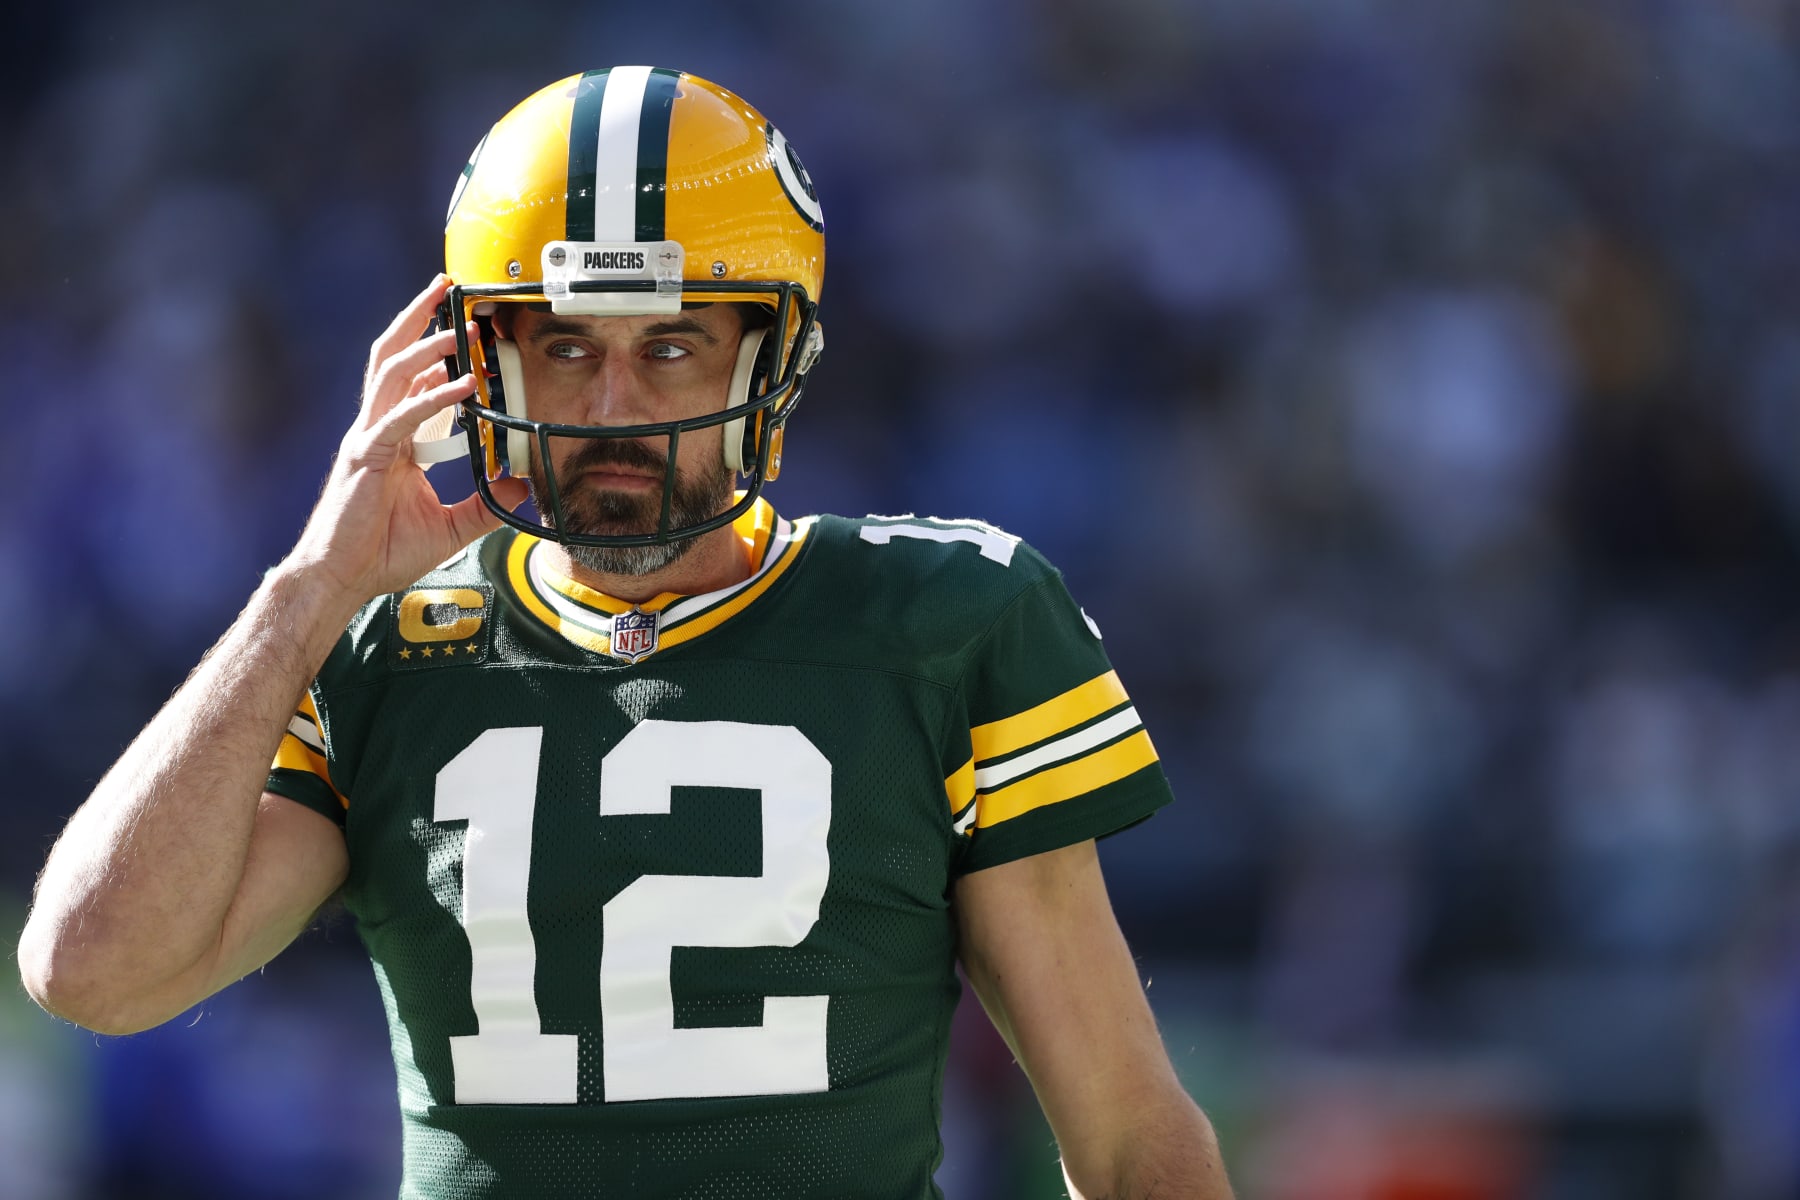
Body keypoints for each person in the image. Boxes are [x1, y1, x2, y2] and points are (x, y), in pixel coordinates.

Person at [18, 67, 1232, 1199]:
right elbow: (92, 971)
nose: (613, 408)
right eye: (565, 348)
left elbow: (1127, 1137)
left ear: (773, 355)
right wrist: (306, 588)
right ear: (477, 363)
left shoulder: (948, 623)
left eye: (669, 346)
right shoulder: (372, 642)